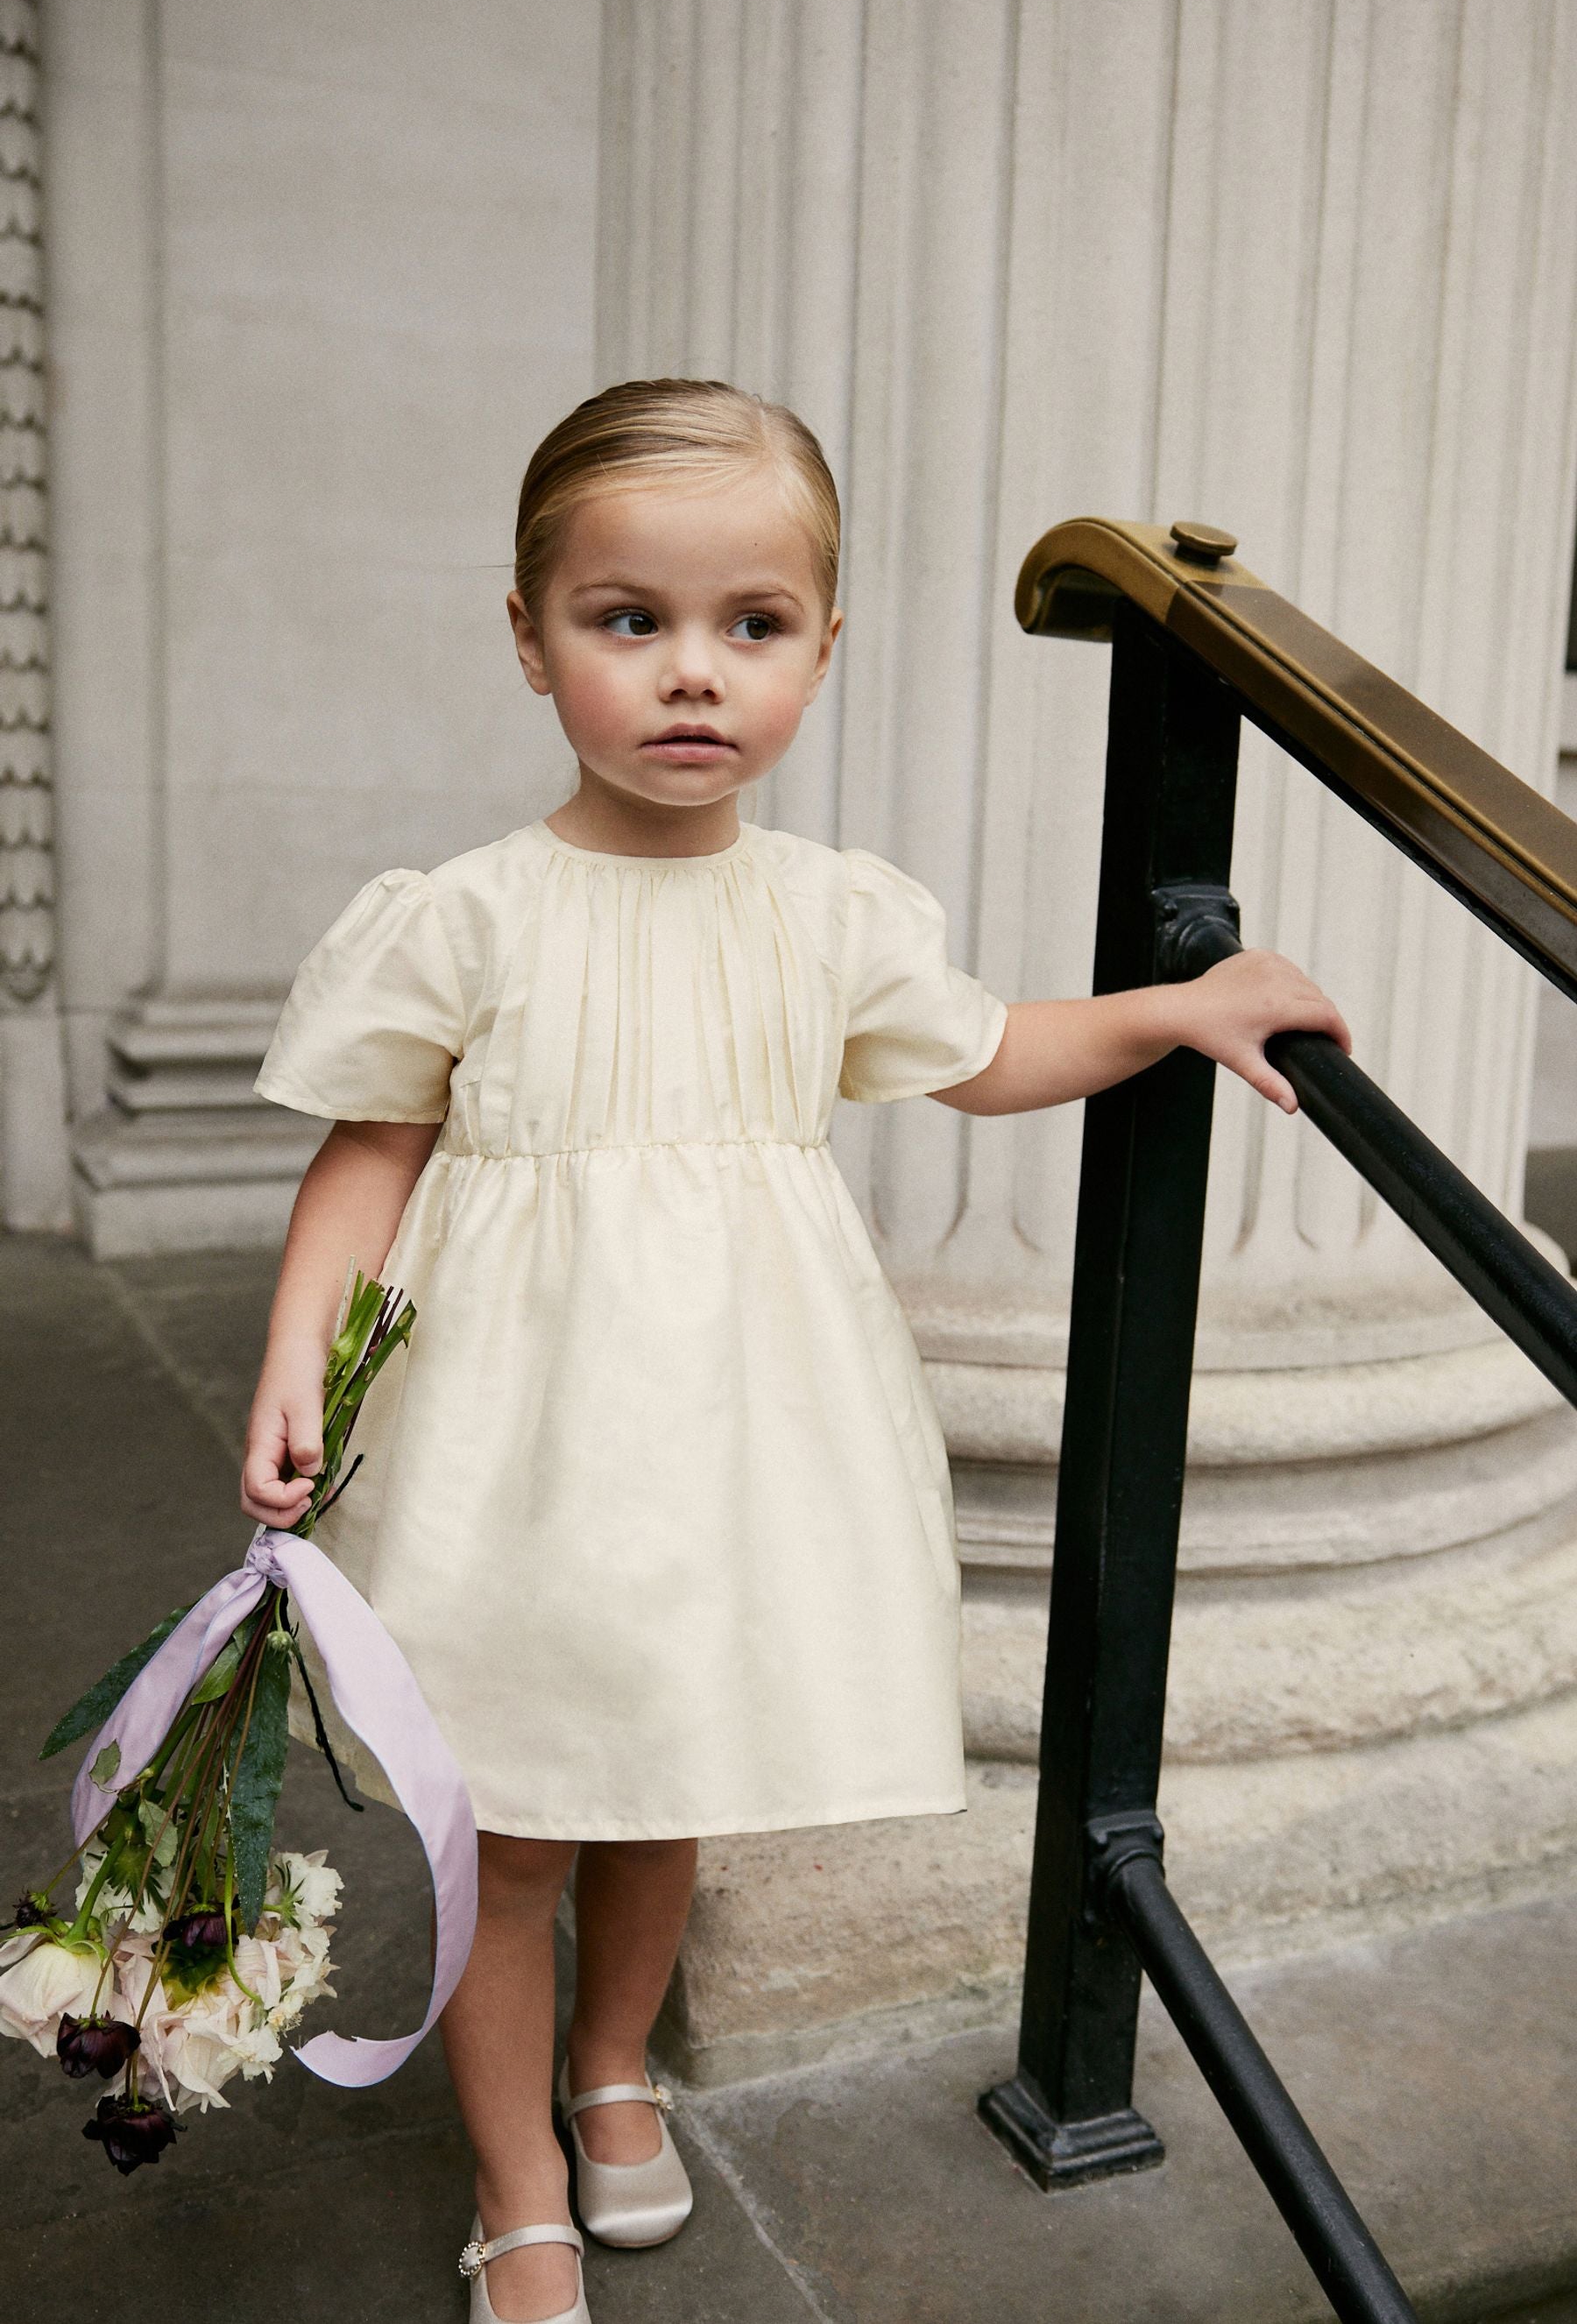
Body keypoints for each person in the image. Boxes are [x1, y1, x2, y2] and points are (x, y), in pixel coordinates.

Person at [241, 378, 1351, 2324]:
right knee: (512, 1822)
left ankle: (610, 2064)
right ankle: (512, 2184)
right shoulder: (471, 919)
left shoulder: (827, 915)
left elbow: (993, 1053)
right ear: (531, 639)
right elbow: (370, 1159)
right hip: (513, 1442)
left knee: (669, 1777)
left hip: (727, 1438)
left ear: (823, 652)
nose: (694, 675)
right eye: (628, 622)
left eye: (753, 628)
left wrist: (1182, 1007)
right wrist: (290, 1364)